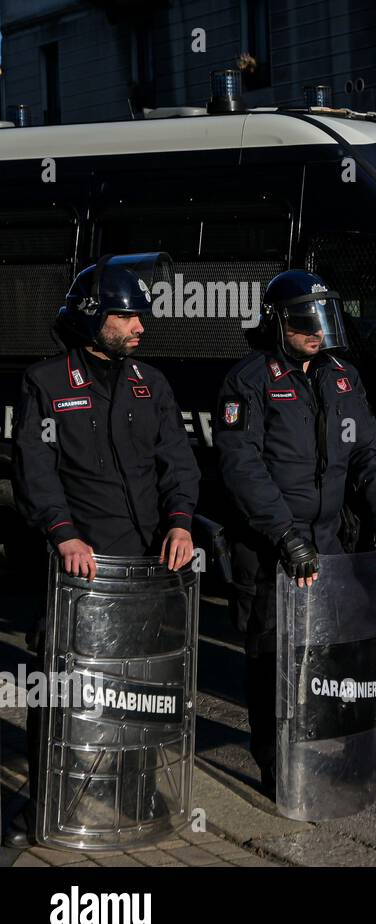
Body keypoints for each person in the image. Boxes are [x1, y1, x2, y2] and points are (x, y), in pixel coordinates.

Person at [7, 254, 200, 847]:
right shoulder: (46, 383)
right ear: (95, 321)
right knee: (65, 684)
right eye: (128, 316)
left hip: (147, 567)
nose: (141, 326)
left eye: (142, 315)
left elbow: (178, 462)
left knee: (142, 681)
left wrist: (181, 524)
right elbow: (35, 471)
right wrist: (63, 533)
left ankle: (135, 788)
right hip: (79, 568)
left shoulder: (153, 383)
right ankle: (44, 802)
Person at [214, 269, 376, 792]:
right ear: (278, 321)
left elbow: (371, 454)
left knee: (348, 647)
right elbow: (242, 466)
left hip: (331, 542)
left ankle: (374, 742)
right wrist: (284, 534)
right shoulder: (250, 379)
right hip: (270, 547)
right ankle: (276, 758)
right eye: (306, 320)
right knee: (272, 657)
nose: (317, 331)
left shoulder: (341, 375)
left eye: (323, 318)